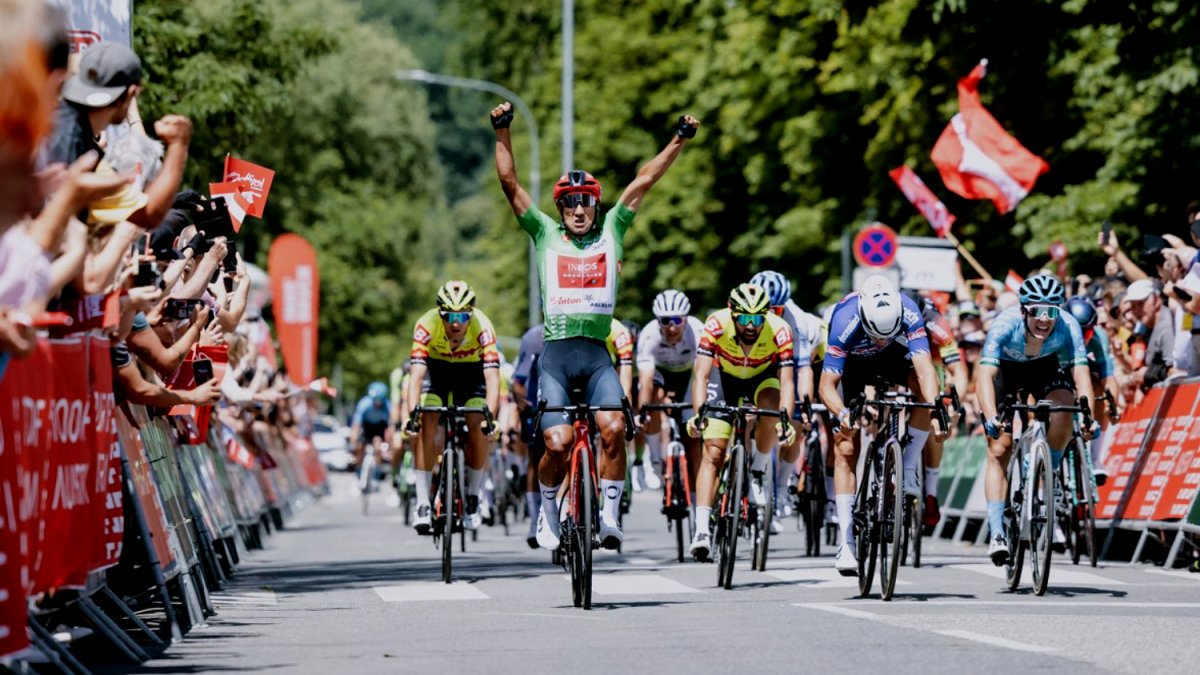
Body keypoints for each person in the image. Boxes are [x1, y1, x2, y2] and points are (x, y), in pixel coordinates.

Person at [490, 100, 699, 550]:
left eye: (586, 201)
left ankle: (608, 516)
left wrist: (679, 140)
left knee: (615, 429)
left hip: (597, 354)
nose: (579, 210)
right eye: (570, 203)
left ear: (596, 205)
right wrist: (502, 130)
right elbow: (509, 183)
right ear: (561, 209)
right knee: (558, 443)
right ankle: (548, 512)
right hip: (557, 356)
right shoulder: (545, 233)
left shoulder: (613, 230)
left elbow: (645, 179)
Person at [817, 275, 944, 575]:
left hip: (892, 358)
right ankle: (846, 542)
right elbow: (826, 386)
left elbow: (926, 371)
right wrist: (842, 414)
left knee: (925, 394)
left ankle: (908, 466)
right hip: (852, 364)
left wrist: (937, 409)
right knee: (846, 447)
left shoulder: (909, 310)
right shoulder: (845, 319)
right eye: (877, 335)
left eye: (886, 334)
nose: (881, 340)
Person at [977, 274, 1096, 565]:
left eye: (1051, 312)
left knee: (1065, 407)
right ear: (1023, 311)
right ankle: (997, 532)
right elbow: (985, 376)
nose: (1044, 319)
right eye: (1036, 311)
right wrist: (991, 416)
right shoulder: (1004, 325)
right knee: (999, 448)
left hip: (1044, 368)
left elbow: (1081, 375)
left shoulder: (1068, 325)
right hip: (1006, 370)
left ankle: (1047, 471)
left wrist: (1088, 417)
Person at [686, 283, 796, 561]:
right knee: (713, 452)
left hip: (762, 377)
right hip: (724, 378)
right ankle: (702, 530)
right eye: (745, 318)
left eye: (757, 319)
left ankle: (757, 469)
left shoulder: (780, 330)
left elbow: (787, 382)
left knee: (772, 408)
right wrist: (699, 415)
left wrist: (785, 420)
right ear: (732, 313)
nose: (750, 325)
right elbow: (701, 376)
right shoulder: (716, 324)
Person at [403, 281, 501, 533]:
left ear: (471, 314)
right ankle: (423, 503)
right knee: (427, 421)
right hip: (437, 374)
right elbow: (415, 377)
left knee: (478, 424)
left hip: (471, 375)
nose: (455, 323)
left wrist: (490, 418)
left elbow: (492, 378)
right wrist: (412, 416)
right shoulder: (426, 324)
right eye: (449, 316)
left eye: (462, 316)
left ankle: (473, 497)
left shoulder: (483, 326)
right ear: (440, 314)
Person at [750, 270, 825, 531]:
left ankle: (781, 487)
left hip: (788, 364)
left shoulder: (797, 322)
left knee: (796, 424)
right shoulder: (748, 317)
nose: (772, 315)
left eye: (777, 310)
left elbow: (802, 371)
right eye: (767, 311)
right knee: (746, 416)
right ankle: (743, 470)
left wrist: (803, 407)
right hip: (756, 364)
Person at [901, 289, 970, 527]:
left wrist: (953, 406)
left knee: (935, 427)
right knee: (889, 404)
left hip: (931, 364)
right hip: (901, 365)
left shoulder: (938, 325)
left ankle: (931, 493)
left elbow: (959, 372)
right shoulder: (892, 319)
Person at [637, 289, 704, 494]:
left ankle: (697, 504)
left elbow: (701, 375)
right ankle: (655, 460)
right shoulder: (649, 335)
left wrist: (699, 413)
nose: (672, 327)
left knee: (692, 442)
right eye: (665, 321)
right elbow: (646, 380)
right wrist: (643, 413)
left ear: (686, 319)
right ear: (658, 321)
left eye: (677, 320)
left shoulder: (697, 331)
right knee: (654, 398)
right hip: (661, 375)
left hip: (689, 376)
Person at [1065, 296, 1119, 486]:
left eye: (1086, 333)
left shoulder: (1098, 336)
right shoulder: (1056, 333)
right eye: (1077, 332)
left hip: (1083, 366)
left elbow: (1108, 376)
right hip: (1058, 364)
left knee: (1099, 390)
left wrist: (1112, 405)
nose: (1081, 338)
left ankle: (1095, 459)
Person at [512, 323, 545, 548]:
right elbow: (519, 380)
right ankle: (535, 520)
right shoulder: (534, 338)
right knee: (535, 457)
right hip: (536, 403)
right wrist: (520, 401)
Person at [350, 380, 391, 480]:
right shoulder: (364, 404)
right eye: (375, 400)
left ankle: (377, 473)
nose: (377, 403)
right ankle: (358, 472)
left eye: (380, 400)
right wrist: (353, 442)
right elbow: (356, 425)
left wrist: (389, 444)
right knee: (360, 447)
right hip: (366, 426)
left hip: (379, 427)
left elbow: (390, 426)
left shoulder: (387, 406)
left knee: (377, 447)